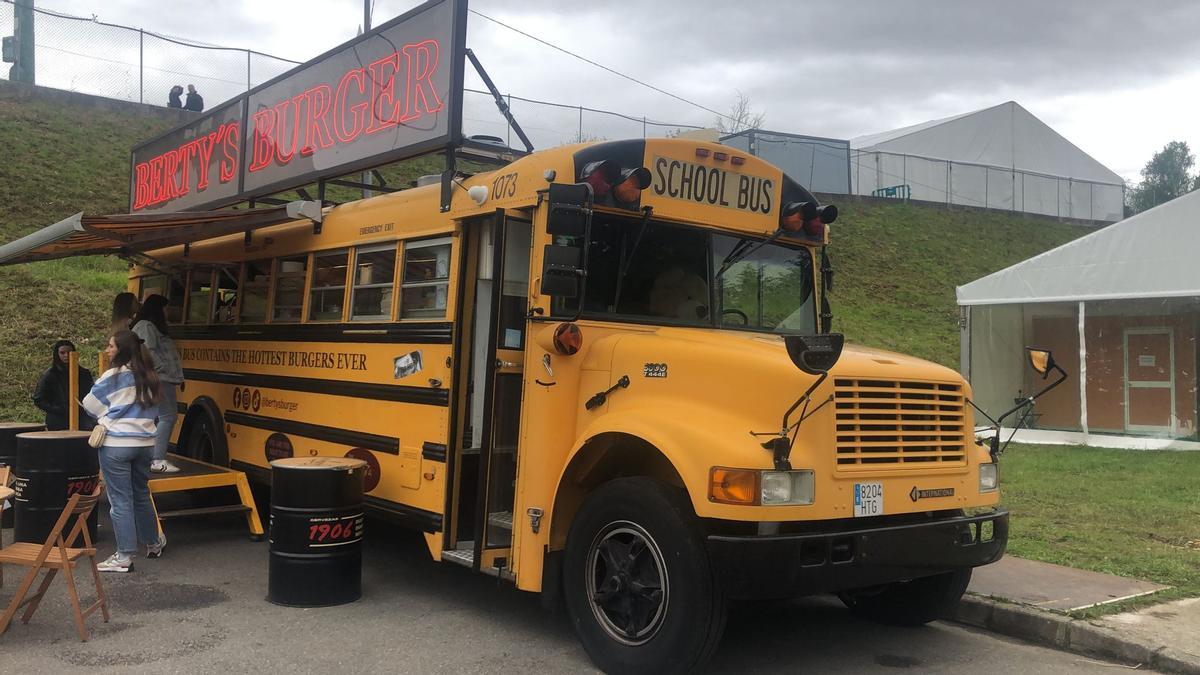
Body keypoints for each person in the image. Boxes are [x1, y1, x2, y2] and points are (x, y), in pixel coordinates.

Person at [83, 330, 165, 573]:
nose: (108, 350)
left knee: (120, 500)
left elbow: (90, 405)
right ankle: (153, 543)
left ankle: (124, 556)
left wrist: (108, 414)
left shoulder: (113, 375)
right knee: (141, 494)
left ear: (121, 350)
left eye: (111, 346)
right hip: (145, 444)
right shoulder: (150, 375)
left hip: (116, 445)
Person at [132, 294, 184, 474]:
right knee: (168, 417)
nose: (168, 312)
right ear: (158, 309)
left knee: (157, 417)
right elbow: (147, 351)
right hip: (160, 378)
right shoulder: (146, 326)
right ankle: (157, 459)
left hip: (160, 377)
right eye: (166, 308)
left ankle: (152, 456)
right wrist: (162, 369)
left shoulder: (147, 325)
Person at [32, 340, 97, 431]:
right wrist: (59, 409)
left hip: (82, 419)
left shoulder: (84, 373)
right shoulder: (49, 375)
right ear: (57, 354)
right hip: (57, 421)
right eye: (62, 353)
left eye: (69, 352)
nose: (66, 356)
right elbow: (39, 399)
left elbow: (92, 393)